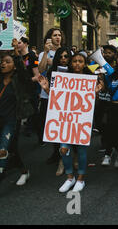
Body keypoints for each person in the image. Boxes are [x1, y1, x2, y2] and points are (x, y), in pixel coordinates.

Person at [38, 53, 103, 193]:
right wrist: (46, 89)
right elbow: (57, 99)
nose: (77, 64)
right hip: (66, 120)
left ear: (85, 64)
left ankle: (80, 178)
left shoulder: (90, 79)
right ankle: (69, 177)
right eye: (74, 61)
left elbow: (94, 103)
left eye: (80, 61)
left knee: (81, 149)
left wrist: (96, 93)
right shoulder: (62, 79)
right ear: (70, 63)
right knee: (63, 149)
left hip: (82, 120)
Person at [0, 41, 35, 185]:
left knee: (2, 150)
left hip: (11, 121)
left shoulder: (19, 79)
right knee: (12, 149)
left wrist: (16, 53)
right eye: (2, 62)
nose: (3, 64)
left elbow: (24, 72)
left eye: (7, 62)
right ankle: (24, 171)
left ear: (14, 66)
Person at [41, 47, 72, 175]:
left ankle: (68, 158)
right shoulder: (51, 72)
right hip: (56, 106)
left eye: (66, 56)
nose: (63, 59)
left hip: (71, 107)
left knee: (70, 133)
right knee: (57, 133)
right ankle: (60, 158)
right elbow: (51, 93)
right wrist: (47, 89)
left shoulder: (74, 70)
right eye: (61, 57)